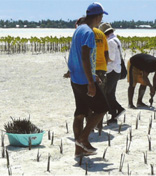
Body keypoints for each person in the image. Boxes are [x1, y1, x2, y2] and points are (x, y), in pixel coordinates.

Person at [67, 2, 108, 157]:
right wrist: (91, 82)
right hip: (84, 81)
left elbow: (74, 55)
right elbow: (84, 57)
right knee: (102, 108)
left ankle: (79, 151)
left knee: (80, 113)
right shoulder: (89, 33)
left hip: (76, 78)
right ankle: (83, 139)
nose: (101, 19)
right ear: (98, 16)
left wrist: (91, 74)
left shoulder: (79, 30)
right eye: (101, 16)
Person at [99, 22, 125, 124]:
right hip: (116, 70)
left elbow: (111, 58)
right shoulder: (116, 39)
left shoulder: (110, 42)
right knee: (110, 94)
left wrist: (101, 59)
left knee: (106, 94)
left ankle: (118, 109)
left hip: (112, 70)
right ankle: (114, 115)